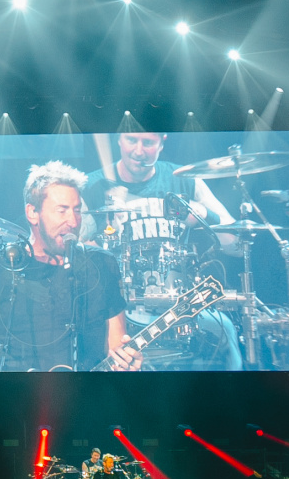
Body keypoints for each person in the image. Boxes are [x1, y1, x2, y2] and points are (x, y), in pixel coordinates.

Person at [0, 162, 142, 372]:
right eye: (62, 211)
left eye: (77, 210)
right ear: (32, 213)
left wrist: (127, 365)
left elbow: (117, 348)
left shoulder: (102, 264)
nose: (73, 221)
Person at [83, 132, 243, 370]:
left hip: (181, 308)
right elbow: (73, 253)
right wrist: (104, 242)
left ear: (162, 141)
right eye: (131, 140)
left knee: (225, 330)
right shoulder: (92, 186)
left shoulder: (186, 180)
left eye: (148, 143)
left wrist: (201, 213)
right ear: (119, 140)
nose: (138, 151)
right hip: (118, 309)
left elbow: (236, 245)